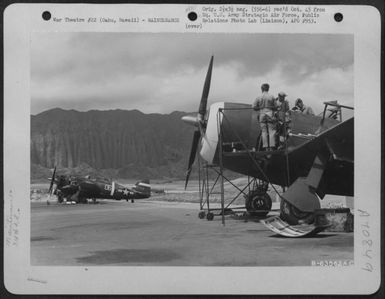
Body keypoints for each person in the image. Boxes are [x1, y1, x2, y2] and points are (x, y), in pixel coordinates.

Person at [253, 83, 277, 150]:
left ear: (262, 89)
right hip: (269, 113)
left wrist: (260, 108)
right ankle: (271, 147)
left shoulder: (258, 97)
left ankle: (266, 147)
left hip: (262, 114)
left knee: (264, 131)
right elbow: (276, 107)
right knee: (271, 131)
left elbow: (254, 107)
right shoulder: (271, 96)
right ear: (268, 89)